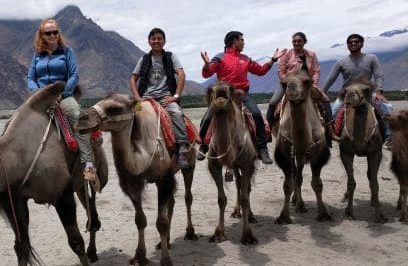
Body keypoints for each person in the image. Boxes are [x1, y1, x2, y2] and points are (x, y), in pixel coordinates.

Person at [198, 31, 284, 164]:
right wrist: (207, 65)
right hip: (224, 95)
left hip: (242, 94)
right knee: (207, 117)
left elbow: (260, 70)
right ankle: (203, 146)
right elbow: (206, 73)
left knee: (256, 113)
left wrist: (273, 60)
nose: (244, 42)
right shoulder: (220, 57)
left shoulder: (245, 58)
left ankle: (262, 148)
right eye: (242, 40)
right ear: (234, 41)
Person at [26, 18, 96, 180]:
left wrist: (63, 94)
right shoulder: (37, 55)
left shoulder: (67, 52)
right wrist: (39, 93)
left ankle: (88, 164)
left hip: (63, 95)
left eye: (55, 32)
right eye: (48, 33)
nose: (52, 35)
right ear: (42, 35)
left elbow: (74, 75)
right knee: (18, 119)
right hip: (41, 96)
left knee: (75, 116)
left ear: (59, 33)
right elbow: (30, 77)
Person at [129, 27, 191, 169]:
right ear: (149, 41)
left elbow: (181, 74)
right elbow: (133, 79)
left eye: (159, 38)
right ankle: (132, 147)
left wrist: (176, 96)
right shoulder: (144, 59)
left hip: (165, 98)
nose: (156, 41)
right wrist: (138, 98)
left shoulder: (170, 57)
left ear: (164, 41)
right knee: (132, 115)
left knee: (176, 113)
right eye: (153, 38)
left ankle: (182, 147)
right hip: (146, 99)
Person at [321, 33, 393, 149]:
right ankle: (327, 138)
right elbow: (330, 79)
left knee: (387, 108)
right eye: (350, 42)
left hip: (367, 93)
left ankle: (389, 139)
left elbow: (379, 76)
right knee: (331, 113)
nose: (353, 43)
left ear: (362, 44)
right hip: (347, 94)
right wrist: (321, 93)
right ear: (347, 45)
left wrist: (379, 91)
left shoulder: (371, 58)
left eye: (356, 42)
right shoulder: (341, 62)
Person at [266, 32, 335, 146]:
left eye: (299, 41)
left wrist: (314, 83)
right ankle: (267, 132)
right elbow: (281, 71)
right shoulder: (286, 54)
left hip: (307, 85)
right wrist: (286, 82)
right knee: (273, 102)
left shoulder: (311, 54)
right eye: (294, 41)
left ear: (304, 42)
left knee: (326, 100)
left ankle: (329, 131)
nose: (296, 43)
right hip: (289, 84)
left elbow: (316, 70)